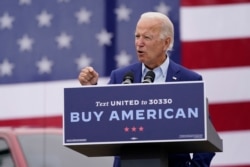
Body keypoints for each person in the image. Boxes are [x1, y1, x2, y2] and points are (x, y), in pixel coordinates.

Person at [78, 12, 215, 167]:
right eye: (137, 36)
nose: (139, 43)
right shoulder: (121, 77)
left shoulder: (189, 80)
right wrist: (91, 91)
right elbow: (105, 124)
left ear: (166, 43)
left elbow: (206, 139)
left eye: (147, 37)